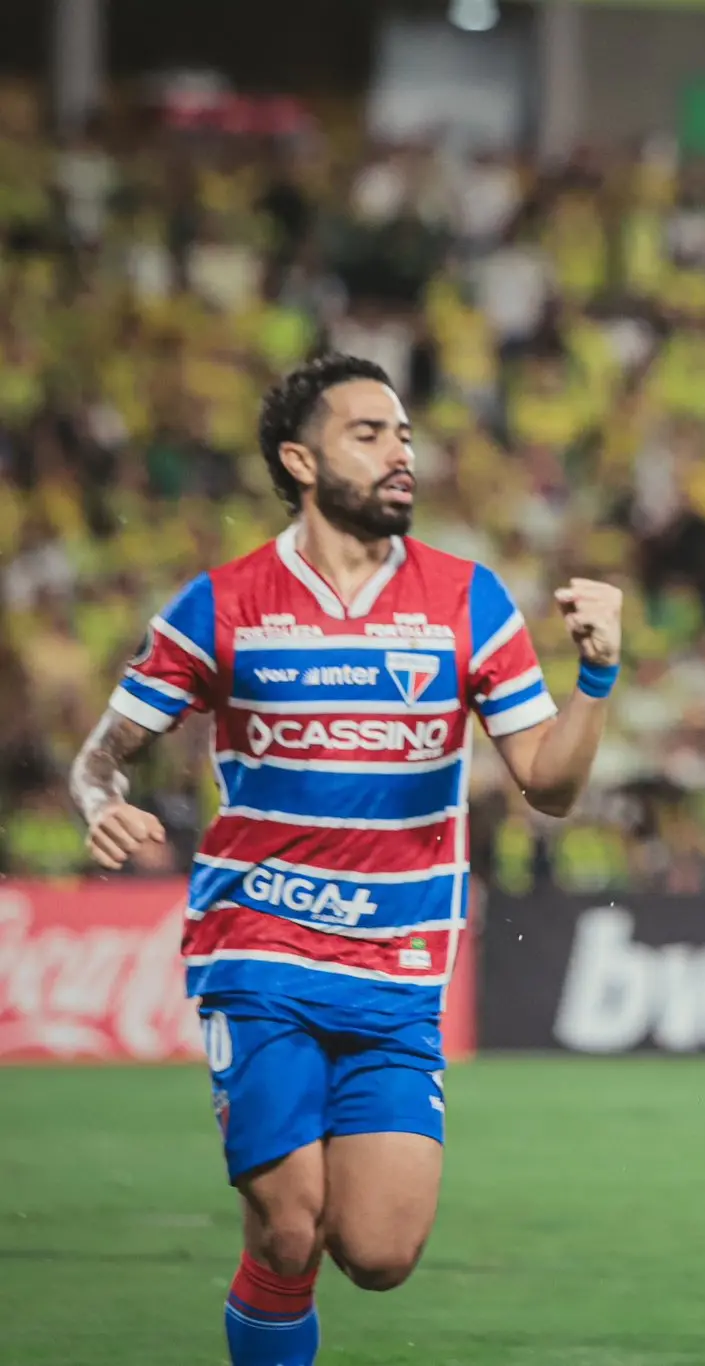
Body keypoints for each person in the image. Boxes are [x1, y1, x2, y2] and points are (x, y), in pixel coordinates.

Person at [69, 353, 623, 1366]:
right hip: (261, 945)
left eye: (405, 433)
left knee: (377, 1250)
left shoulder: (468, 598)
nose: (400, 451)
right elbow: (103, 751)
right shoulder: (224, 602)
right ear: (300, 458)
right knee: (288, 1224)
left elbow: (548, 784)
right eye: (370, 433)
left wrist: (596, 675)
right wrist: (100, 800)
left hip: (398, 966)